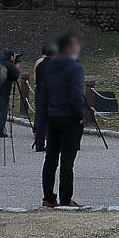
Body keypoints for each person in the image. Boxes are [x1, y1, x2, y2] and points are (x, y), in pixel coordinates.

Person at [39, 34, 85, 208]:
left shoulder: (49, 67)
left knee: (50, 158)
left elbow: (43, 93)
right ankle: (66, 198)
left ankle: (48, 197)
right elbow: (75, 94)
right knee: (67, 160)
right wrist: (81, 115)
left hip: (53, 115)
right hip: (69, 116)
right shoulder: (74, 68)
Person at [0, 49, 21, 138]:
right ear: (11, 57)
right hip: (4, 90)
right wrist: (17, 69)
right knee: (2, 110)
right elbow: (15, 76)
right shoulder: (9, 65)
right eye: (14, 56)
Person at [33, 44, 58, 152]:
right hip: (52, 94)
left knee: (41, 119)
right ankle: (51, 145)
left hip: (41, 93)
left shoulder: (40, 65)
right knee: (52, 120)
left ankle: (39, 144)